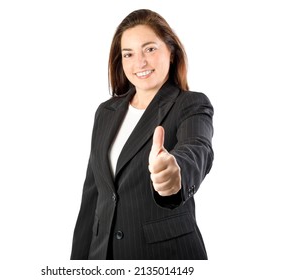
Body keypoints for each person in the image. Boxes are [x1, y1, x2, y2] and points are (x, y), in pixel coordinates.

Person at [70, 9, 214, 260]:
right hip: (103, 256)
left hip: (164, 257)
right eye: (128, 54)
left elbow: (197, 148)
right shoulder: (106, 112)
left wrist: (175, 172)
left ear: (171, 51)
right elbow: (93, 195)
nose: (140, 62)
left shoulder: (190, 104)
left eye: (149, 49)